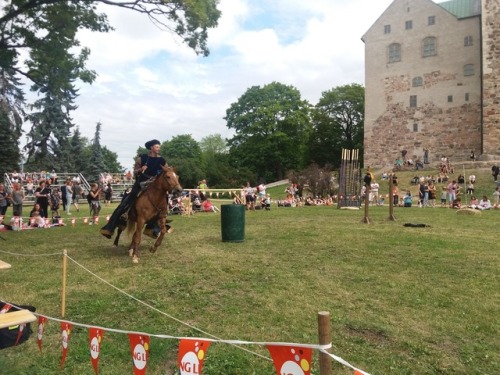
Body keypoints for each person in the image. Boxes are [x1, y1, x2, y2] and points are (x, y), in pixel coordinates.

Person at [100, 139, 168, 239]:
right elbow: (135, 172)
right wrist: (141, 169)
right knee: (127, 201)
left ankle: (153, 228)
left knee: (165, 198)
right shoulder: (142, 158)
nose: (159, 148)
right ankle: (111, 227)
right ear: (151, 148)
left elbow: (166, 171)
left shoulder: (162, 160)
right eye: (157, 147)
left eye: (159, 147)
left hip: (154, 185)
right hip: (141, 183)